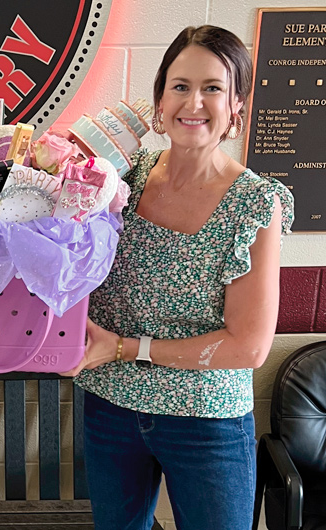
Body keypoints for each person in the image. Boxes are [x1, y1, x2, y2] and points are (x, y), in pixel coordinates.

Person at [66, 25, 294, 530]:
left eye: (213, 87)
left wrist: (126, 348)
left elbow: (248, 348)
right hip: (110, 406)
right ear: (160, 100)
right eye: (180, 85)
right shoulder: (123, 177)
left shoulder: (255, 203)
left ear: (236, 107)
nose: (194, 101)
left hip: (207, 419)